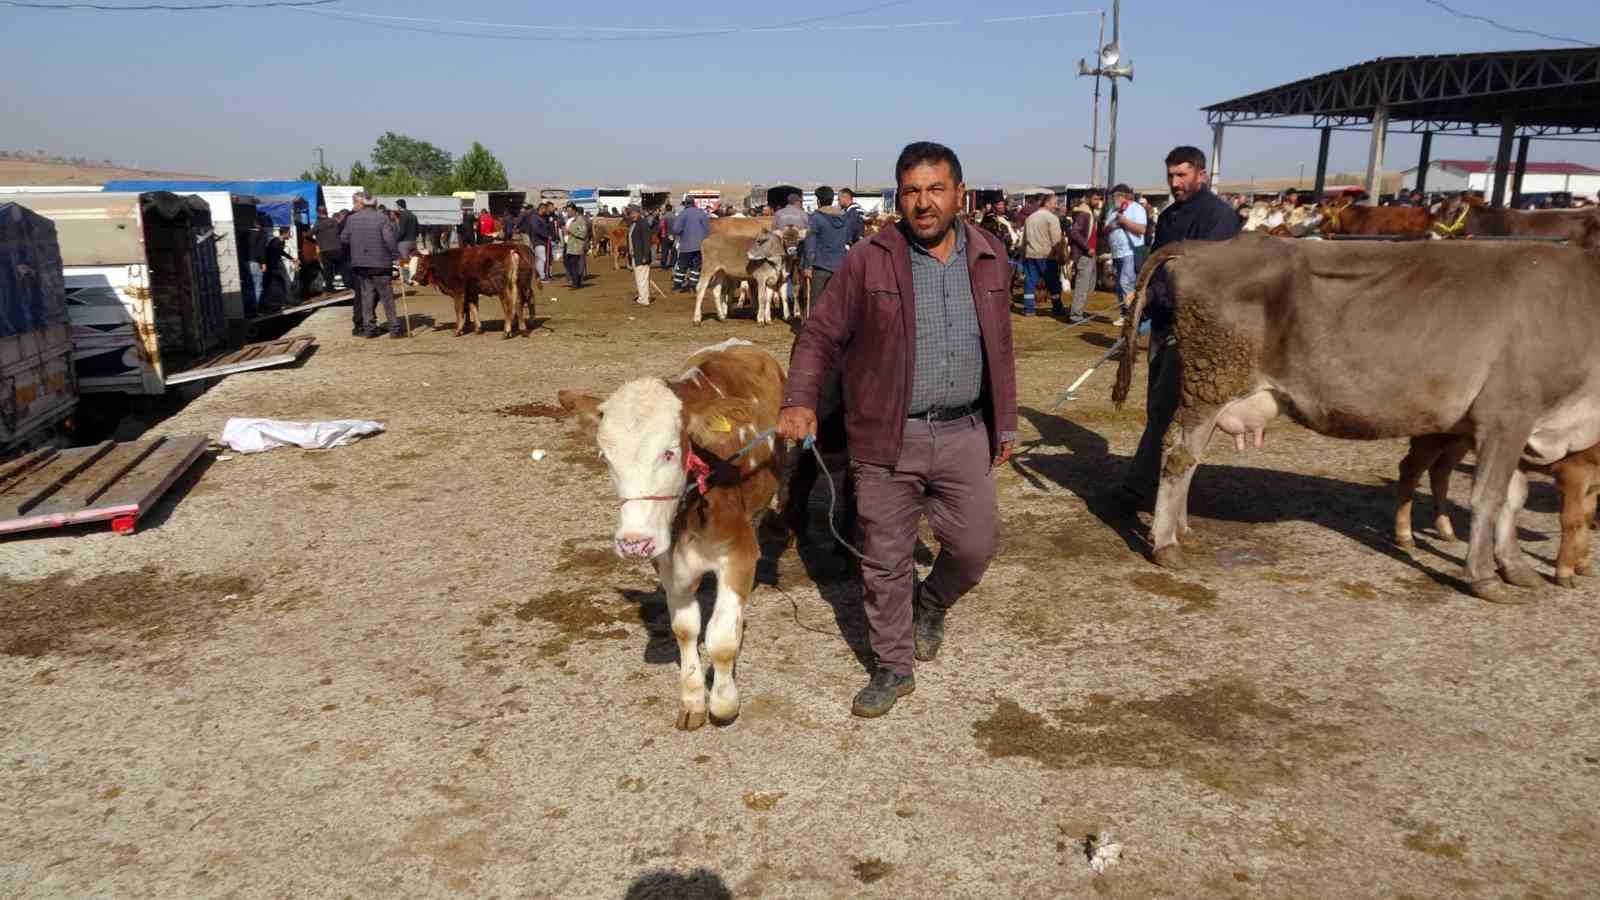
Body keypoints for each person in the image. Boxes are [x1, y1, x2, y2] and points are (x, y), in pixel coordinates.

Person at [778, 141, 1016, 718]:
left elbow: (1002, 345)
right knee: (884, 556)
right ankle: (893, 664)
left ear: (960, 192)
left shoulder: (989, 255)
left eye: (936, 189)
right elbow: (818, 334)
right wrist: (799, 399)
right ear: (898, 197)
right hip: (888, 434)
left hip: (964, 430)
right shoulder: (870, 259)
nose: (924, 203)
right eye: (911, 191)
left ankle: (931, 602)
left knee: (975, 545)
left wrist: (1004, 421)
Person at [1122, 146, 1241, 502]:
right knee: (1157, 406)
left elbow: (1202, 278)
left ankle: (1141, 486)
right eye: (1170, 175)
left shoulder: (1218, 217)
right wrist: (1142, 298)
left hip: (1197, 331)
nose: (1174, 183)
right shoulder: (1170, 215)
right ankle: (1158, 481)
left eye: (1182, 175)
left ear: (1201, 175)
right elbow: (1161, 266)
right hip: (1162, 323)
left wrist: (1154, 297)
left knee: (1170, 409)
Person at [338, 192, 402, 338]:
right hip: (380, 263)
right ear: (375, 203)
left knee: (367, 297)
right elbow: (388, 239)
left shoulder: (352, 219)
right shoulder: (382, 218)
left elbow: (344, 238)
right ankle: (394, 328)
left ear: (363, 203)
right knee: (387, 298)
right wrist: (396, 255)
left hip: (361, 264)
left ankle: (369, 329)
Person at [803, 185, 860, 305]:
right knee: (836, 302)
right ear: (832, 200)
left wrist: (808, 266)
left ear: (818, 201)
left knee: (816, 303)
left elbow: (810, 244)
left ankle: (816, 324)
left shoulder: (815, 218)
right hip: (840, 266)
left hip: (820, 266)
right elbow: (848, 240)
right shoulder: (844, 217)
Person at [1104, 183, 1147, 324]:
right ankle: (1125, 313)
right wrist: (1111, 226)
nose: (1112, 199)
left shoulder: (1136, 208)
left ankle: (1132, 314)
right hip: (1116, 253)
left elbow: (1141, 229)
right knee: (1119, 285)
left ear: (1121, 195)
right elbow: (1105, 230)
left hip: (1130, 252)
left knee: (1125, 283)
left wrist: (1124, 221)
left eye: (1114, 196)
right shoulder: (1112, 210)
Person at [1021, 192, 1064, 317]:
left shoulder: (1030, 218)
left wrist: (1023, 254)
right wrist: (1060, 255)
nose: (1056, 206)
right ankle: (1057, 308)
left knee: (1030, 282)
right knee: (1053, 283)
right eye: (1055, 203)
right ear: (1047, 203)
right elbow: (1056, 240)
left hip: (1031, 254)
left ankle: (1029, 309)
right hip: (1047, 255)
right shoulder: (1052, 218)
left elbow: (1024, 239)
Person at [1065, 192, 1101, 323]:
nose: (1098, 201)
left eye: (1099, 198)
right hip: (1084, 253)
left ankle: (1076, 310)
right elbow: (1074, 231)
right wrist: (1087, 247)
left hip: (1089, 253)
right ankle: (1075, 315)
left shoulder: (1089, 212)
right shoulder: (1083, 213)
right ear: (1087, 199)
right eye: (1095, 198)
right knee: (1082, 285)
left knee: (1088, 285)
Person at [670, 196, 709, 292]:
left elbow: (676, 229)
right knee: (696, 267)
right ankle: (693, 286)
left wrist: (682, 232)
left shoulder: (683, 214)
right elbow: (707, 229)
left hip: (686, 245)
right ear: (694, 203)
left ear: (685, 204)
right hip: (699, 245)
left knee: (682, 266)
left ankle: (677, 287)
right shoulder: (701, 213)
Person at [311, 206, 347, 293]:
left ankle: (330, 288)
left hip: (325, 250)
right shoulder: (333, 221)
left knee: (328, 270)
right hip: (337, 248)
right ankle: (348, 284)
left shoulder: (318, 224)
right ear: (326, 212)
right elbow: (340, 231)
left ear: (318, 213)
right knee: (342, 268)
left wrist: (316, 240)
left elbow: (309, 234)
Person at [627, 205, 653, 306]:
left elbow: (647, 241)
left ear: (638, 213)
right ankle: (642, 297)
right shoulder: (634, 224)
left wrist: (645, 256)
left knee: (642, 278)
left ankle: (644, 299)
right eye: (630, 213)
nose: (631, 215)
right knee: (639, 278)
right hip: (635, 255)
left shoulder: (643, 224)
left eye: (633, 213)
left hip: (641, 256)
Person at [563, 202, 590, 289]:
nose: (568, 213)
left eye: (570, 211)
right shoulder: (571, 220)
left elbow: (583, 233)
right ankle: (576, 281)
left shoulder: (580, 220)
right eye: (567, 211)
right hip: (569, 245)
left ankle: (576, 283)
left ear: (575, 210)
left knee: (574, 265)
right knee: (568, 264)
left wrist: (570, 230)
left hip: (576, 246)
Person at [392, 199, 419, 287]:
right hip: (413, 241)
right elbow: (417, 230)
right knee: (413, 262)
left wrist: (395, 240)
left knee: (404, 262)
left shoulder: (403, 216)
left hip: (404, 243)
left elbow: (402, 231)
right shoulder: (413, 215)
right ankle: (414, 278)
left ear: (399, 206)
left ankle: (407, 280)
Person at [657, 202, 677, 271]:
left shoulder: (664, 217)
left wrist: (659, 234)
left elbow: (660, 227)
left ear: (666, 209)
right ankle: (673, 263)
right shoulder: (675, 217)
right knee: (673, 250)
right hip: (673, 236)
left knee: (665, 251)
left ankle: (664, 265)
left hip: (665, 235)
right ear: (671, 209)